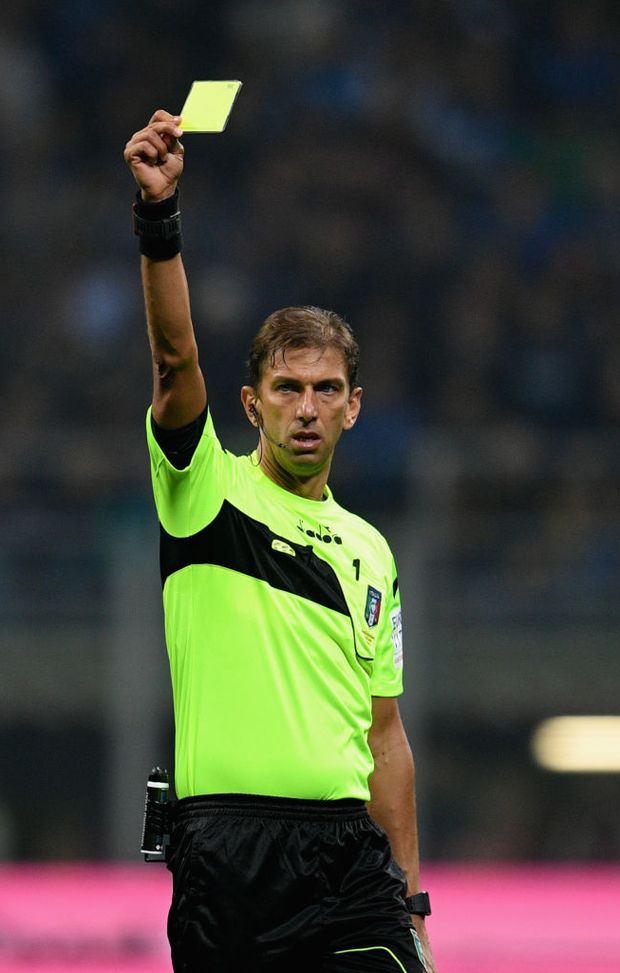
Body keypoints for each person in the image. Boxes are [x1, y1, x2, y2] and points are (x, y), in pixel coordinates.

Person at [124, 109, 438, 973]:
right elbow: (173, 361)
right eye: (288, 387)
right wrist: (159, 222)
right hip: (227, 857)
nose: (307, 406)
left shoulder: (371, 550)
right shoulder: (203, 491)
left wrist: (411, 901)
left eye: (326, 388)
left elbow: (386, 738)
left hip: (347, 861)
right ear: (252, 402)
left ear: (354, 404)